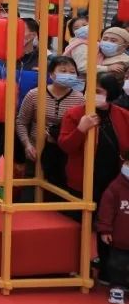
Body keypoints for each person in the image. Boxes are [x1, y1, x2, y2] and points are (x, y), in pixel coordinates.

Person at [59, 75, 129, 285]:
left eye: (98, 91)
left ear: (111, 94)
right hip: (81, 180)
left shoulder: (123, 115)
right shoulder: (74, 114)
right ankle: (74, 266)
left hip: (115, 182)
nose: (92, 95)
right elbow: (65, 145)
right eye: (90, 90)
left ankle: (108, 271)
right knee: (78, 226)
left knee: (110, 227)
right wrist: (81, 129)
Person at [15, 57, 84, 193]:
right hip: (35, 153)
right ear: (51, 74)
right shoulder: (34, 94)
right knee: (31, 193)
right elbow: (21, 121)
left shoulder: (80, 99)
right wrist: (27, 144)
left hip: (63, 156)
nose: (68, 75)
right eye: (63, 71)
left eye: (72, 72)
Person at [98, 155, 129, 304]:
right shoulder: (115, 187)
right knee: (117, 264)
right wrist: (105, 230)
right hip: (120, 238)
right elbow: (106, 210)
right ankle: (117, 287)